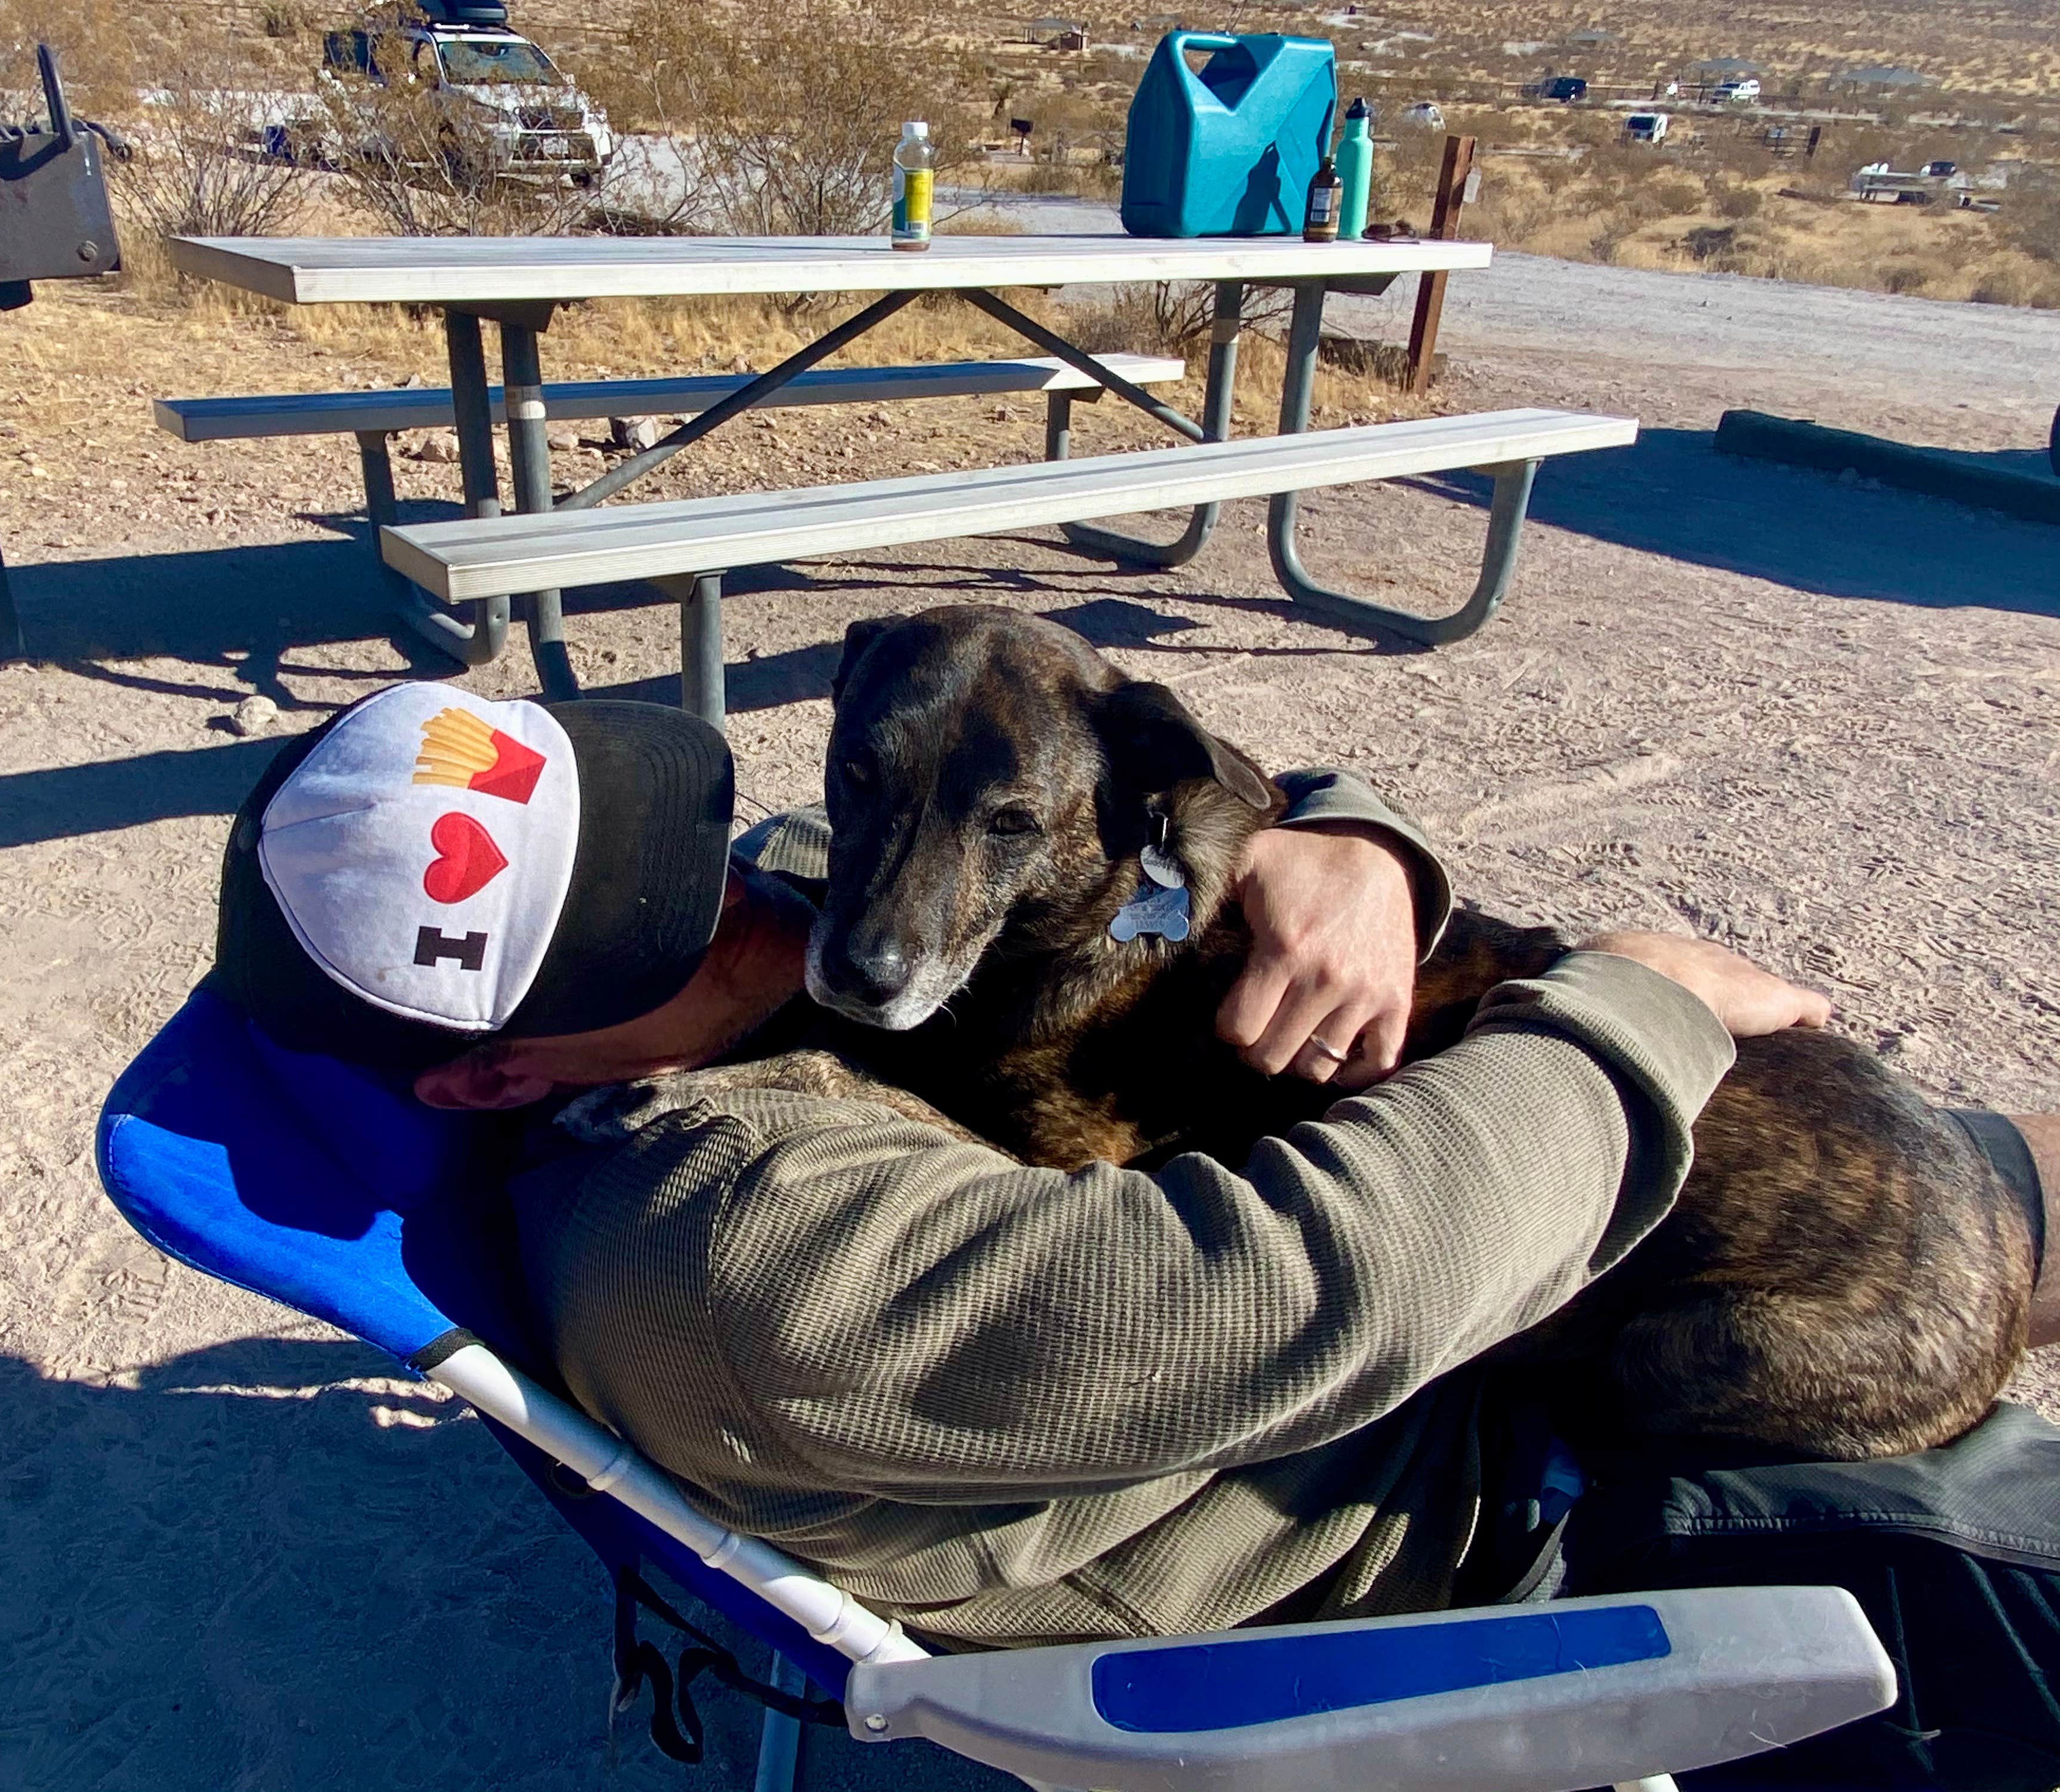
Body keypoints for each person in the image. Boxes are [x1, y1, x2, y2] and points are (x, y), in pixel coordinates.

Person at [213, 683, 2060, 1788]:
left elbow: (1075, 827)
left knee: (1993, 1175)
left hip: (1533, 1278)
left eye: (670, 831)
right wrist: (1640, 1003)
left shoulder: (754, 976)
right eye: (659, 919)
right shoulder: (736, 1259)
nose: (753, 885)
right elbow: (1329, 1282)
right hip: (1494, 1489)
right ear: (494, 1077)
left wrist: (1344, 848)